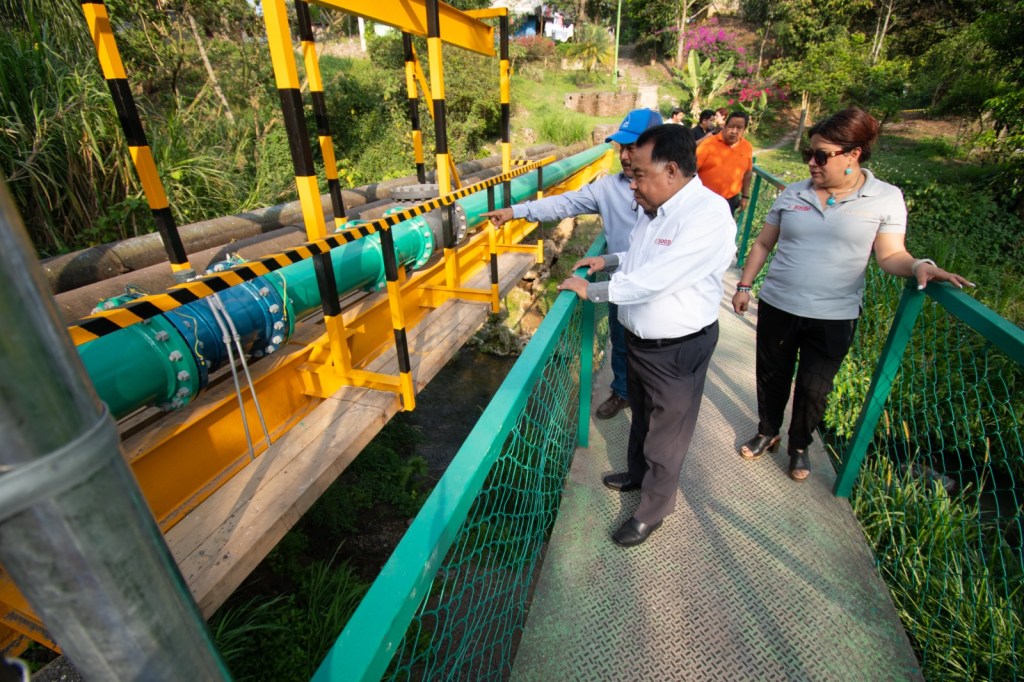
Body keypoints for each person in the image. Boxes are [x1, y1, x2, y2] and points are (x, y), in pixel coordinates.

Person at [732, 107, 972, 482]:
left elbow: (891, 254)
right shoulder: (793, 193)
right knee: (771, 376)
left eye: (821, 156)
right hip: (779, 304)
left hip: (834, 314)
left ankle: (799, 445)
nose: (812, 162)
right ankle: (768, 431)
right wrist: (745, 285)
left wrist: (917, 266)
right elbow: (763, 243)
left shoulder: (885, 198)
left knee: (815, 388)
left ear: (853, 154)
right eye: (807, 154)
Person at [558, 125, 737, 546]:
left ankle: (653, 510)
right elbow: (642, 255)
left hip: (677, 349)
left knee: (667, 436)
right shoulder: (655, 204)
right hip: (640, 340)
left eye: (638, 175)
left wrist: (593, 291)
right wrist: (610, 258)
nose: (632, 184)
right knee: (641, 417)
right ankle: (638, 476)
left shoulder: (708, 216)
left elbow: (660, 276)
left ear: (671, 170)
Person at [481, 108, 664, 420]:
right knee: (621, 343)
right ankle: (622, 392)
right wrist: (515, 211)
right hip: (619, 281)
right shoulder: (608, 188)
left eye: (634, 147)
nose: (626, 155)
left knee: (655, 352)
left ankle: (654, 403)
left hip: (660, 289)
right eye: (622, 147)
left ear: (657, 146)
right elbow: (563, 202)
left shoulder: (673, 190)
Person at [696, 110, 753, 214]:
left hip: (729, 201)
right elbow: (692, 170)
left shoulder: (747, 147)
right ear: (725, 126)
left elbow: (748, 174)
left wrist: (745, 197)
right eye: (731, 126)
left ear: (744, 130)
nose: (734, 131)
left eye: (739, 128)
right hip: (703, 200)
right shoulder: (709, 143)